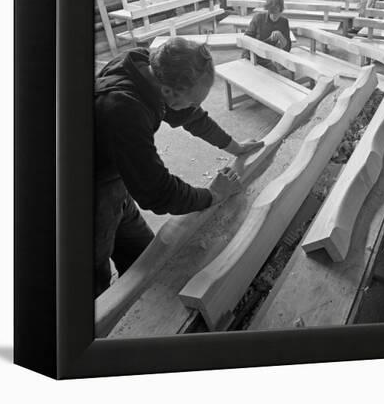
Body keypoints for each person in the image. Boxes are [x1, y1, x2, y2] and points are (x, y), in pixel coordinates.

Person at [94, 37, 263, 297]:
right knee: (93, 281)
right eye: (191, 100)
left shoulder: (147, 67)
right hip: (85, 192)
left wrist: (235, 147)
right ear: (169, 92)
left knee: (144, 257)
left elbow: (191, 116)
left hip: (115, 177)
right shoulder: (124, 109)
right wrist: (213, 195)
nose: (193, 107)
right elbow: (158, 193)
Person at [243, 0, 292, 74]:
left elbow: (287, 48)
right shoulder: (258, 18)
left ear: (281, 10)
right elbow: (246, 39)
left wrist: (281, 36)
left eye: (276, 12)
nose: (274, 16)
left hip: (266, 58)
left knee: (275, 76)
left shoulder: (284, 22)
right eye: (271, 12)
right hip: (251, 56)